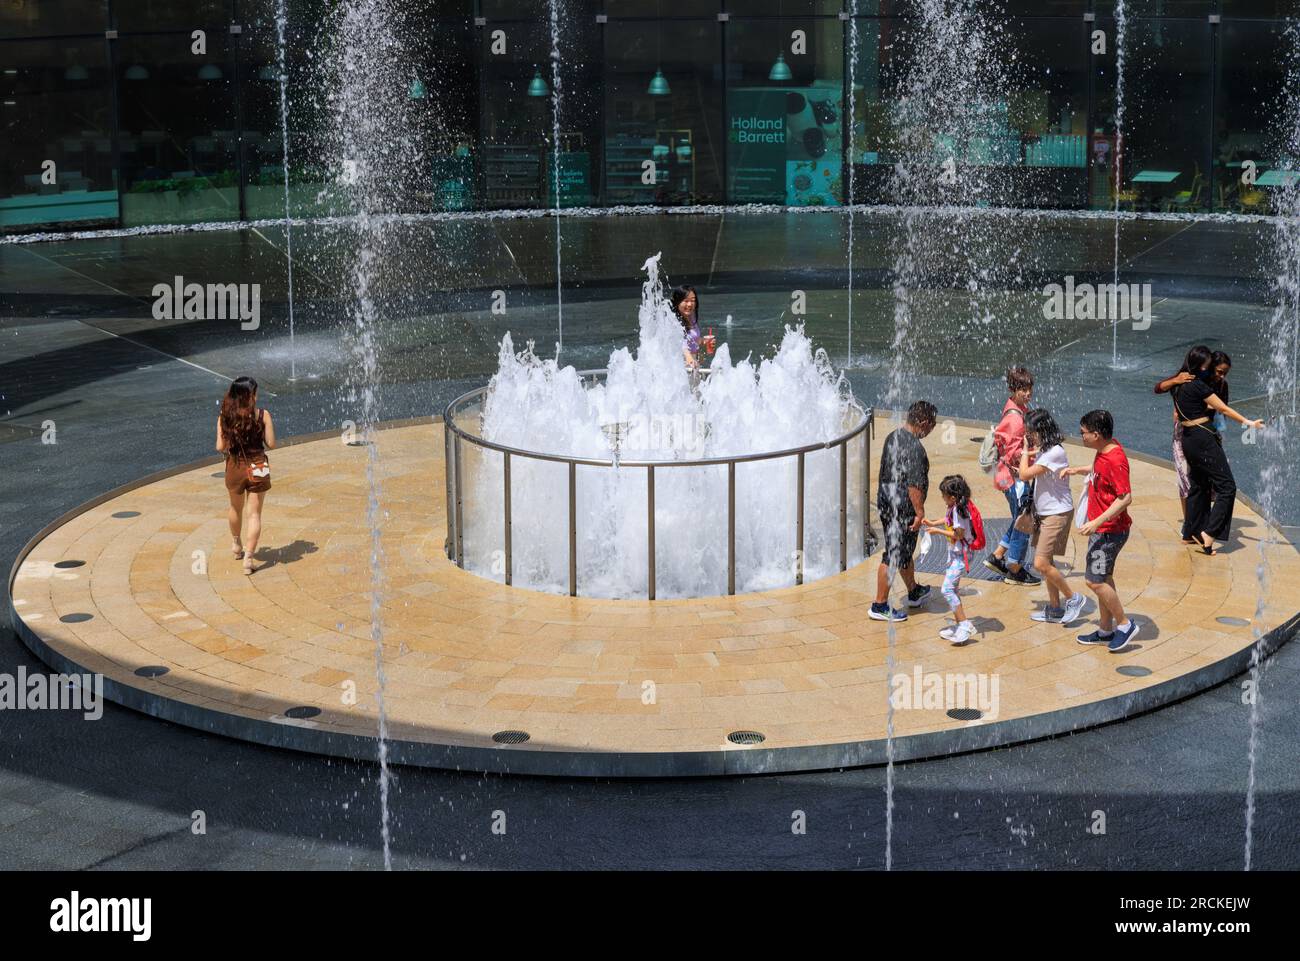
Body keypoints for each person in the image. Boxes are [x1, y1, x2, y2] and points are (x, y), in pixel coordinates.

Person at [1164, 347, 1262, 554]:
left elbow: (1164, 391)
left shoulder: (1182, 384)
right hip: (1202, 438)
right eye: (1209, 367)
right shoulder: (1199, 386)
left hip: (1189, 438)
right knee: (1227, 486)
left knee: (1199, 484)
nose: (1216, 373)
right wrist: (1248, 422)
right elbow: (1224, 409)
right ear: (1203, 367)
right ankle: (1209, 533)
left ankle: (1191, 532)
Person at [1061, 410, 1137, 653]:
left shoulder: (1115, 458)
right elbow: (1099, 470)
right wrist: (1079, 470)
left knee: (1093, 581)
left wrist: (1096, 523)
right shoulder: (1104, 450)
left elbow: (1125, 498)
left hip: (1108, 532)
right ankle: (1106, 629)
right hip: (1103, 530)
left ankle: (1125, 624)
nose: (1080, 436)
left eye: (1083, 433)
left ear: (1096, 434)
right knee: (1103, 578)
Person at [1018, 408, 1088, 625]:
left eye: (1031, 431)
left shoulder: (1054, 452)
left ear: (1042, 430)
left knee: (1040, 563)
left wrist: (1024, 452)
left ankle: (1073, 598)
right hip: (1045, 513)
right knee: (1048, 562)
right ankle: (1055, 608)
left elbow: (1024, 474)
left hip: (1057, 514)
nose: (1029, 435)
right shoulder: (1045, 450)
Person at [870, 400, 936, 622]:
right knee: (893, 554)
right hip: (903, 510)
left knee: (903, 551)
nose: (930, 431)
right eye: (932, 426)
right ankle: (879, 605)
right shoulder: (915, 448)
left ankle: (913, 590)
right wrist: (919, 512)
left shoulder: (894, 436)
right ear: (924, 422)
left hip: (887, 504)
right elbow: (914, 485)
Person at [983, 366, 1042, 586]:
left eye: (1029, 389)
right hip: (1015, 478)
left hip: (1008, 477)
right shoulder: (1016, 419)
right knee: (1024, 522)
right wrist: (1037, 452)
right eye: (1023, 390)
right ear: (1013, 389)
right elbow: (1014, 454)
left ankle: (997, 557)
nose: (1028, 394)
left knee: (1020, 517)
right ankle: (1015, 568)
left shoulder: (1014, 408)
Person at [216, 376, 276, 574]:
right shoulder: (263, 415)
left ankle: (236, 545)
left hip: (234, 466)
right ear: (251, 395)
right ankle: (249, 559)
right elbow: (272, 443)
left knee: (235, 507)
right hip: (258, 465)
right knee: (255, 514)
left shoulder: (225, 416)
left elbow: (220, 447)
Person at [1153, 344, 1210, 526]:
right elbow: (1158, 388)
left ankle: (1200, 520)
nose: (1205, 369)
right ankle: (1189, 522)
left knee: (1202, 479)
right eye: (1203, 365)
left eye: (1207, 366)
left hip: (1203, 432)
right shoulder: (1182, 378)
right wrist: (1176, 380)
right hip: (1181, 433)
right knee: (1184, 478)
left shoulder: (1207, 380)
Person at [925, 475, 978, 645]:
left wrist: (937, 532)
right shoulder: (956, 506)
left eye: (944, 496)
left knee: (947, 589)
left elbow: (958, 534)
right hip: (956, 553)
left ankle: (964, 625)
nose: (942, 499)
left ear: (953, 497)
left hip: (961, 556)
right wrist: (933, 522)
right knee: (952, 589)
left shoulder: (959, 511)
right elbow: (948, 519)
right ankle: (959, 625)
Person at [671, 284, 713, 370]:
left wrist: (704, 341)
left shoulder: (692, 318)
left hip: (694, 364)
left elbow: (692, 340)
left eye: (693, 300)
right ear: (677, 302)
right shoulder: (673, 322)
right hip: (680, 367)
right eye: (686, 301)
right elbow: (680, 343)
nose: (690, 304)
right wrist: (688, 357)